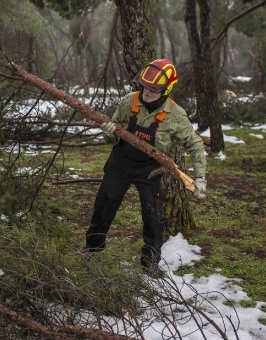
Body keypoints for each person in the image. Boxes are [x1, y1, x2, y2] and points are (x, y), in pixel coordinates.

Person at [85, 58, 207, 274]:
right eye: (144, 86)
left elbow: (195, 145)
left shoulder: (176, 115)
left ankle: (150, 263)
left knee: (154, 217)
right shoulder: (129, 101)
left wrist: (200, 178)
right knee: (104, 205)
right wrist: (108, 131)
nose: (146, 92)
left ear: (167, 89)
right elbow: (112, 135)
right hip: (120, 163)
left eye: (154, 89)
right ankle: (92, 249)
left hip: (149, 170)